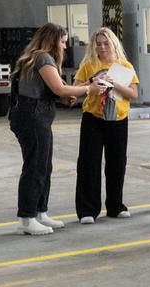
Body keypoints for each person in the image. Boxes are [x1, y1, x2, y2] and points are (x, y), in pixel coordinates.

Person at [10, 23, 103, 234]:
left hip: (37, 117)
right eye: (62, 42)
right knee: (35, 166)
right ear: (52, 40)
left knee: (44, 166)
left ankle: (40, 212)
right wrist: (90, 88)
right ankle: (26, 218)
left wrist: (67, 96)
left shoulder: (39, 58)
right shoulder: (43, 57)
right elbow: (58, 87)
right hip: (32, 118)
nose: (65, 46)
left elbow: (54, 90)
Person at [73, 27, 139, 224]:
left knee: (117, 163)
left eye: (105, 43)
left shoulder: (124, 65)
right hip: (93, 118)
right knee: (88, 163)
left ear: (113, 43)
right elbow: (75, 89)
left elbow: (133, 93)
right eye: (98, 43)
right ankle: (87, 210)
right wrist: (92, 82)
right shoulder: (88, 64)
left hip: (117, 119)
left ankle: (115, 205)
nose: (102, 47)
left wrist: (113, 84)